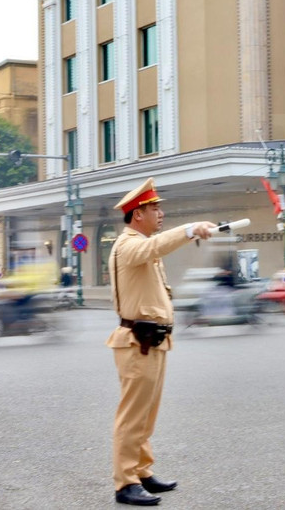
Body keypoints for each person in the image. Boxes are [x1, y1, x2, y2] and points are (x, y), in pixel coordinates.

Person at [106, 177, 215, 506]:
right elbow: (154, 246)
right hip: (138, 342)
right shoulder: (129, 245)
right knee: (132, 415)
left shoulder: (142, 244)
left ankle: (141, 471)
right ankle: (125, 483)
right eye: (154, 208)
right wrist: (190, 229)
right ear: (137, 214)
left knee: (146, 415)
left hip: (153, 340)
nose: (161, 213)